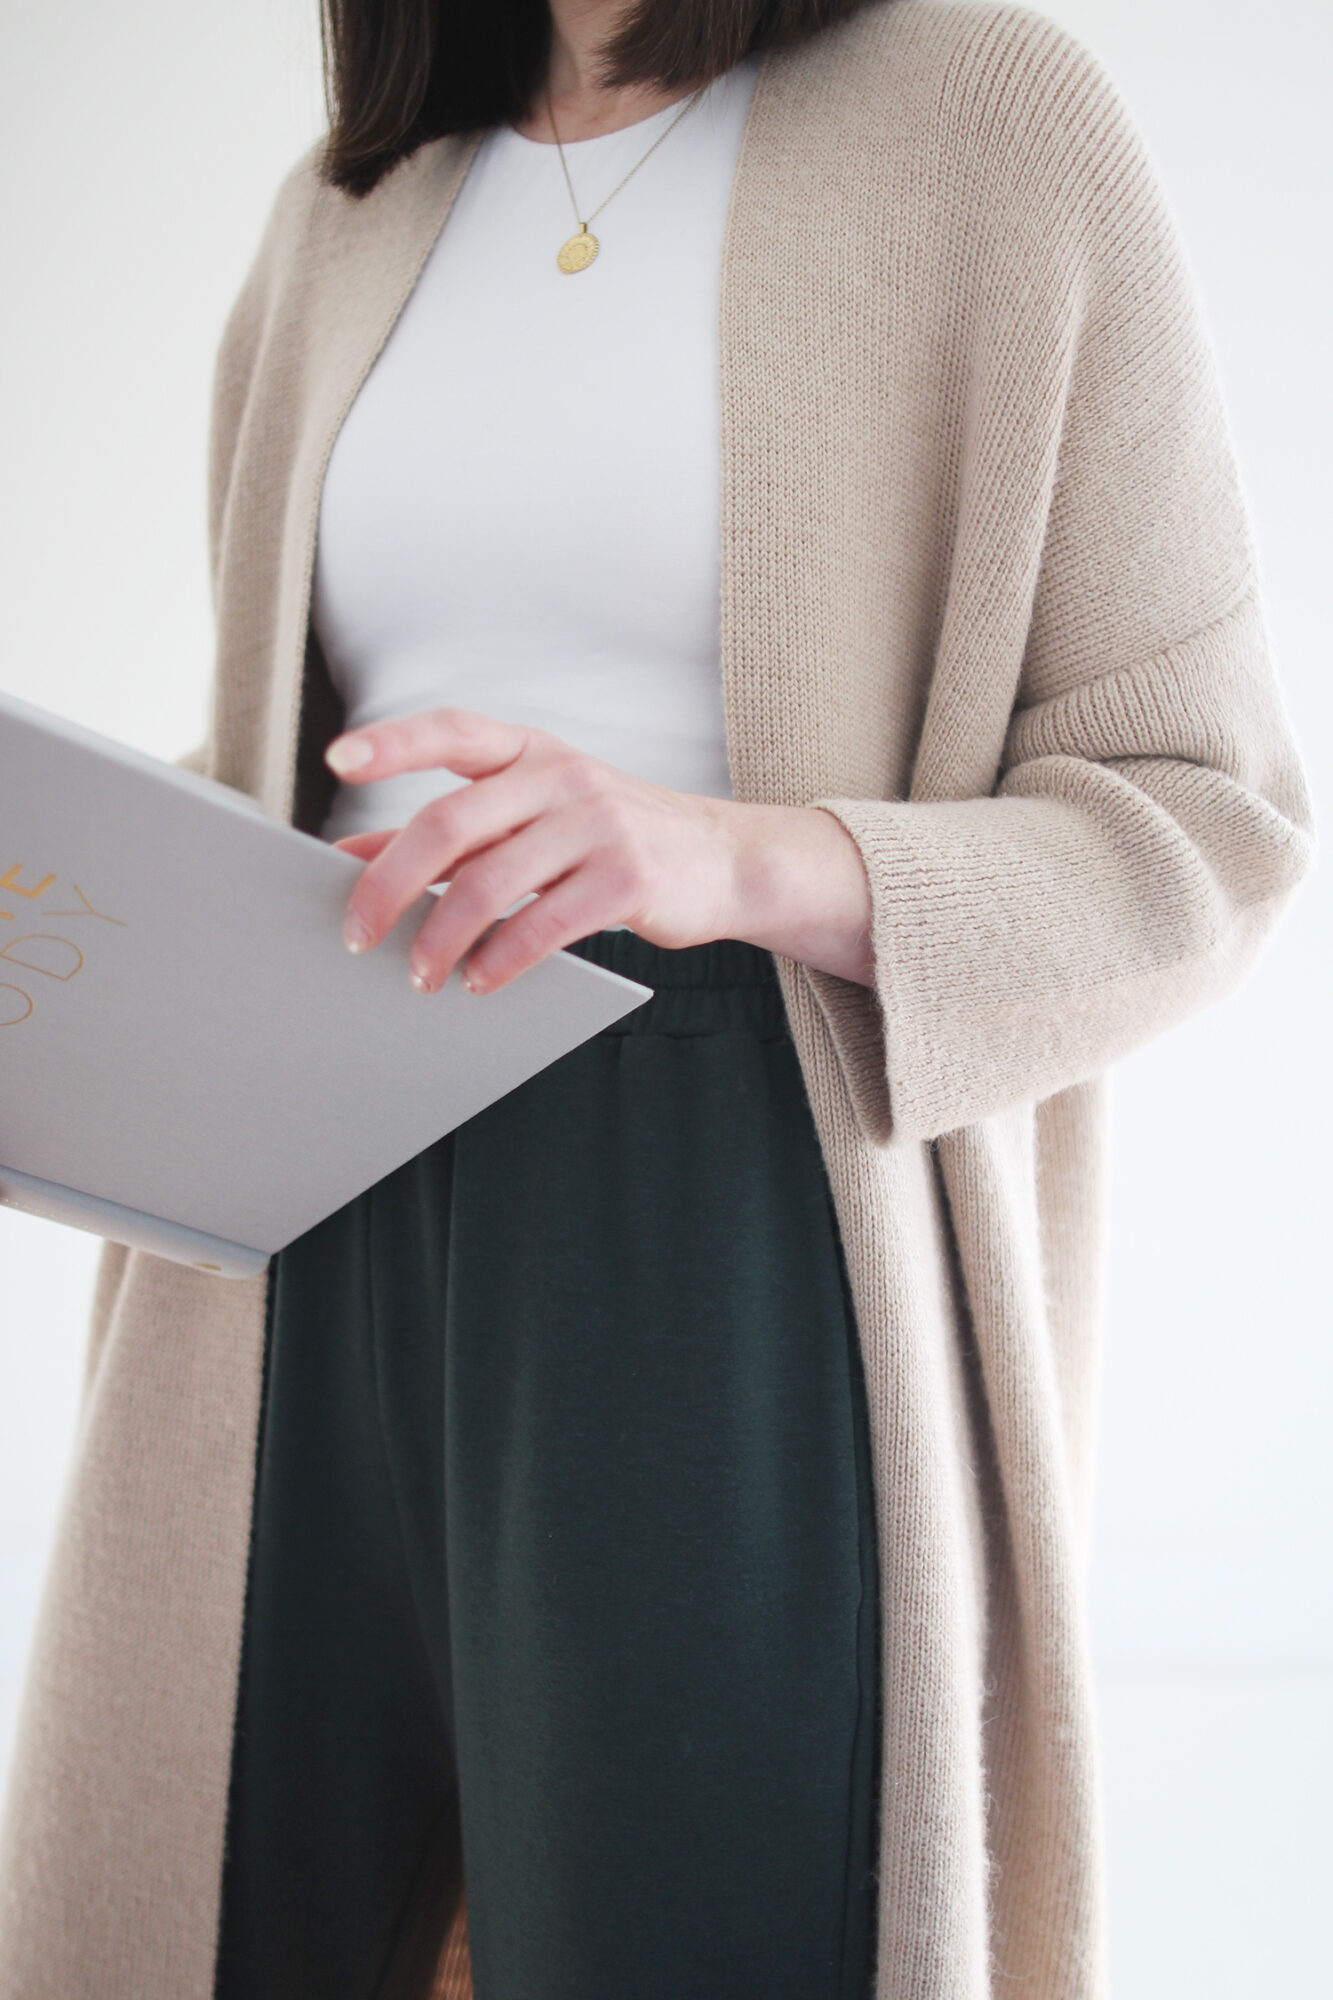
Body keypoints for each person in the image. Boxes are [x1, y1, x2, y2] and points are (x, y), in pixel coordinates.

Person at [0, 1, 1312, 1997]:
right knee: (216, 1911)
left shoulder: (987, 119)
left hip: (712, 1180)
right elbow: (294, 770)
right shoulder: (346, 210)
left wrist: (724, 850)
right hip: (291, 1217)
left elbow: (1206, 822)